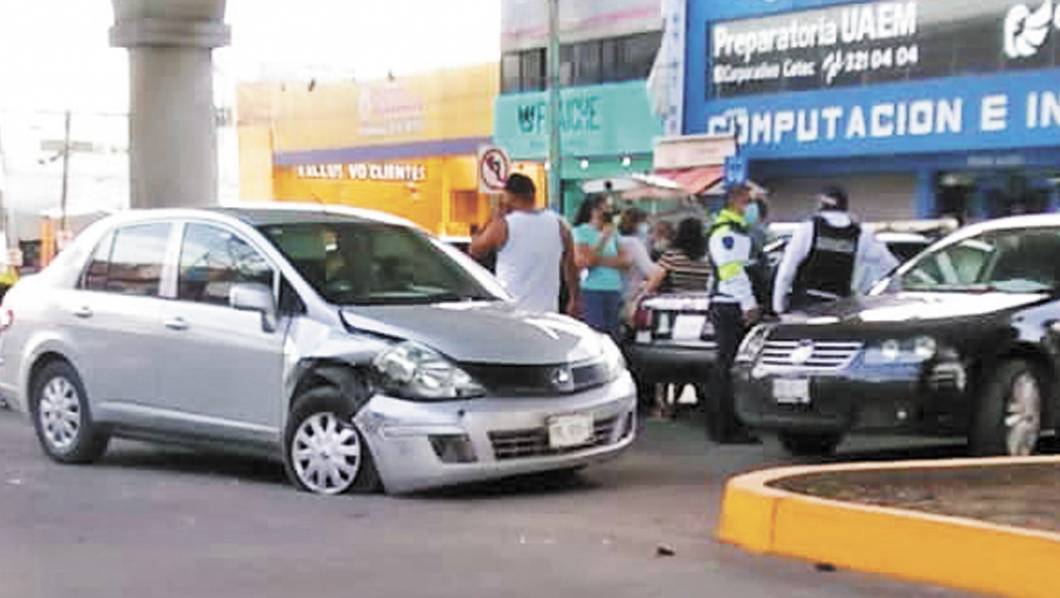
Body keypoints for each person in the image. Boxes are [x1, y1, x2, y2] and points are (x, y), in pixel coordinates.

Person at [772, 185, 899, 314]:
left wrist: (779, 306)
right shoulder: (861, 233)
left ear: (819, 204)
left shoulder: (808, 229)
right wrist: (891, 300)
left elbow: (787, 271)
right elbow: (891, 268)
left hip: (805, 307)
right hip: (841, 308)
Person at [706, 184, 768, 444]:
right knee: (727, 368)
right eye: (749, 201)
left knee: (727, 367)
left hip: (731, 304)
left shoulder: (737, 231)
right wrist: (748, 303)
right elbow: (732, 272)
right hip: (732, 306)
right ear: (736, 202)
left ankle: (727, 425)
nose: (753, 206)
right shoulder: (726, 233)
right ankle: (725, 427)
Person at [470, 173, 580, 315]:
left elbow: (475, 250)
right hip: (547, 312)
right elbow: (571, 266)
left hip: (511, 312)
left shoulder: (503, 225)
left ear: (509, 196)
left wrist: (493, 217)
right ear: (533, 195)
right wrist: (574, 297)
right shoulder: (559, 225)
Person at [573, 194, 631, 337]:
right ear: (593, 210)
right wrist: (602, 239)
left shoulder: (614, 232)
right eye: (602, 209)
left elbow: (626, 261)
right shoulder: (581, 232)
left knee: (614, 333)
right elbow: (587, 262)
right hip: (593, 289)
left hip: (613, 288)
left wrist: (600, 260)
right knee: (596, 332)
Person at [641, 217, 711, 295]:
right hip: (703, 300)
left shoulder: (672, 255)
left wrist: (644, 291)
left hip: (677, 300)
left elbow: (656, 279)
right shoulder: (709, 257)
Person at [617, 208, 661, 304]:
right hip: (627, 297)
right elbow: (653, 273)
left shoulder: (618, 240)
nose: (650, 234)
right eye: (649, 229)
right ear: (638, 225)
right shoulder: (633, 243)